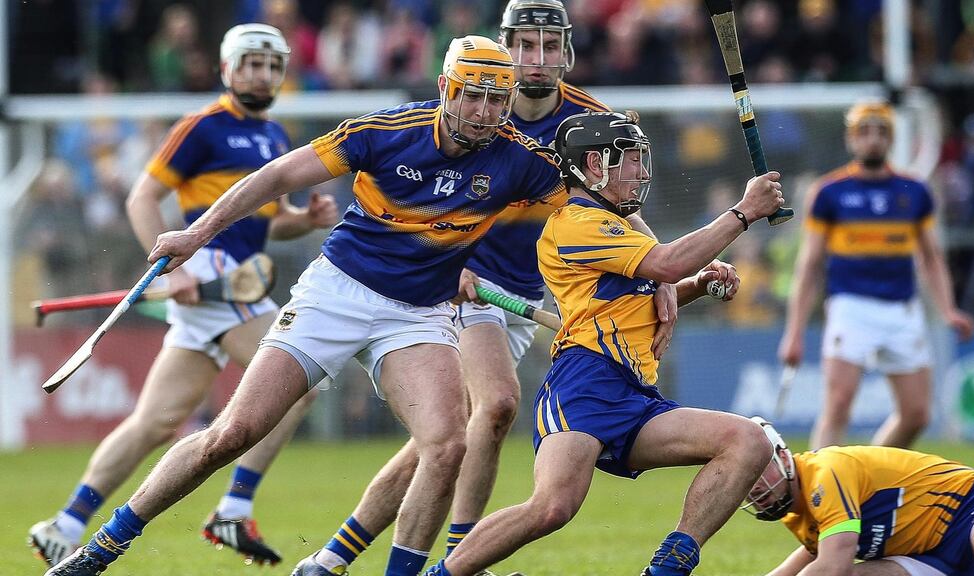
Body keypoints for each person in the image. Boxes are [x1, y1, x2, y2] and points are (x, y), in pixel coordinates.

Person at [44, 35, 567, 576]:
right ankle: (102, 548)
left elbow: (593, 209)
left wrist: (657, 271)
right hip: (337, 292)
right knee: (233, 433)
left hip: (419, 313)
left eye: (496, 99)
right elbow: (276, 178)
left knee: (446, 445)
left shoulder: (521, 159)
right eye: (470, 96)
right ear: (444, 87)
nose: (483, 112)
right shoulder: (384, 132)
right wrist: (194, 235)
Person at [289, 3, 678, 575]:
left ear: (567, 52)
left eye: (549, 47)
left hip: (526, 291)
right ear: (501, 50)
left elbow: (609, 198)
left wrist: (657, 268)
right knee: (495, 406)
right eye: (525, 46)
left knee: (448, 438)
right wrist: (451, 264)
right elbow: (439, 198)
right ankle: (461, 559)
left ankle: (333, 556)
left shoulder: (590, 120)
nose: (536, 61)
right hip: (462, 288)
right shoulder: (474, 108)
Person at [421, 111, 784, 576]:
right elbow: (667, 263)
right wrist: (743, 212)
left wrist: (699, 285)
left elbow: (644, 295)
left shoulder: (618, 227)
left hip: (633, 394)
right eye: (630, 160)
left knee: (748, 441)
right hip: (585, 384)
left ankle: (668, 568)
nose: (642, 171)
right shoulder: (577, 223)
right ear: (594, 164)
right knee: (551, 508)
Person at [29, 23, 337, 569]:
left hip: (237, 278)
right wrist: (170, 268)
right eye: (251, 64)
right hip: (214, 275)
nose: (262, 75)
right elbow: (142, 198)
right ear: (227, 69)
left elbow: (268, 225)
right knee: (299, 381)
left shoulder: (274, 137)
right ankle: (234, 508)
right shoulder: (202, 127)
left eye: (272, 66)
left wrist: (303, 221)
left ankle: (65, 524)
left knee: (156, 420)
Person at [777, 101, 974, 450]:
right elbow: (809, 265)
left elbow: (931, 258)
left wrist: (948, 310)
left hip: (902, 309)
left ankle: (868, 473)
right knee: (838, 407)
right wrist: (793, 331)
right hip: (849, 307)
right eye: (864, 132)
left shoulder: (914, 192)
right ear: (851, 139)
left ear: (891, 140)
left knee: (917, 415)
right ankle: (817, 494)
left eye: (881, 132)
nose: (873, 139)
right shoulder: (829, 192)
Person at [743, 417, 974, 576]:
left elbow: (834, 565)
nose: (751, 487)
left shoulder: (824, 472)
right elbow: (813, 552)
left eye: (757, 470)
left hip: (973, 506)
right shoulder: (792, 509)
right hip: (927, 556)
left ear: (783, 457)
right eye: (743, 479)